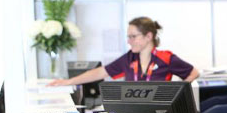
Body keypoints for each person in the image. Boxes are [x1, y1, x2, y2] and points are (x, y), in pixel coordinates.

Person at [48, 17, 199, 86]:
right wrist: (68, 82)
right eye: (128, 36)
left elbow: (194, 73)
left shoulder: (166, 58)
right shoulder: (129, 58)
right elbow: (101, 72)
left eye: (133, 36)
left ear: (148, 36)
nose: (129, 41)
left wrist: (178, 91)